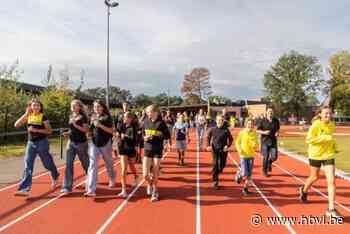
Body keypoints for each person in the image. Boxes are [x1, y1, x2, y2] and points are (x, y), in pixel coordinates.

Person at [299, 106, 341, 217]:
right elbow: (308, 139)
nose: (328, 115)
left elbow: (330, 138)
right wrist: (323, 138)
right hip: (315, 155)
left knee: (331, 181)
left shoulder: (332, 125)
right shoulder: (316, 125)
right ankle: (303, 190)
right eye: (326, 114)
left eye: (330, 113)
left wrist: (334, 146)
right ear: (320, 115)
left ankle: (331, 209)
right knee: (314, 177)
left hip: (328, 155)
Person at [14, 99, 59, 196]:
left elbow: (49, 131)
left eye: (38, 105)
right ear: (30, 107)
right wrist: (25, 114)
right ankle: (24, 189)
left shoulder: (43, 117)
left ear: (40, 107)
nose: (36, 107)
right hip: (31, 143)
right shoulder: (28, 116)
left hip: (42, 143)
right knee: (28, 165)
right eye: (34, 105)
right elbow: (16, 125)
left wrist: (36, 130)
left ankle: (55, 174)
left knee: (47, 164)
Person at [85, 101, 116, 197]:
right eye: (95, 107)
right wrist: (88, 133)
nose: (96, 108)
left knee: (109, 163)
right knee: (93, 165)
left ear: (102, 107)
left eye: (98, 106)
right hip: (94, 143)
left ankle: (111, 178)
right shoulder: (93, 117)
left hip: (105, 143)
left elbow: (111, 131)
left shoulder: (107, 117)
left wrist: (100, 125)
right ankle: (91, 189)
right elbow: (90, 129)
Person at [143, 104, 171, 202]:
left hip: (157, 150)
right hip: (147, 149)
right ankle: (150, 184)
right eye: (147, 112)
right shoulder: (145, 122)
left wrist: (154, 137)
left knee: (155, 173)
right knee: (145, 175)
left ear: (155, 112)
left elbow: (167, 135)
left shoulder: (161, 123)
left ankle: (155, 191)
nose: (147, 114)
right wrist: (144, 138)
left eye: (149, 112)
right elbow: (142, 134)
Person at [61, 100, 90, 195]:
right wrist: (67, 133)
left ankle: (90, 180)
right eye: (71, 105)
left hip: (81, 143)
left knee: (85, 164)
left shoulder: (83, 117)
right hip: (71, 143)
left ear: (79, 107)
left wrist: (75, 125)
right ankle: (67, 187)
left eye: (75, 105)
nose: (73, 107)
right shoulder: (71, 116)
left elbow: (86, 130)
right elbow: (72, 130)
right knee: (68, 164)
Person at [206, 115, 233, 190]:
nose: (220, 121)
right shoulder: (212, 129)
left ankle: (218, 170)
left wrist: (227, 146)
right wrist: (208, 145)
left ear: (223, 121)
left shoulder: (226, 130)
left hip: (223, 150)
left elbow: (231, 139)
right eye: (218, 120)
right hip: (214, 149)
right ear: (216, 121)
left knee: (222, 165)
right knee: (215, 164)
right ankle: (215, 181)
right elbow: (208, 137)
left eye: (221, 120)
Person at [116, 112, 139, 198]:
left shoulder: (133, 128)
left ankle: (136, 176)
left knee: (131, 166)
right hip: (122, 149)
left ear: (130, 118)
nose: (124, 118)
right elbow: (117, 133)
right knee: (123, 170)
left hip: (131, 149)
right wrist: (117, 135)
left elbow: (133, 139)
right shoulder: (121, 125)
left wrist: (124, 136)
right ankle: (123, 190)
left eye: (125, 117)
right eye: (123, 117)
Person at [235, 118, 259, 196]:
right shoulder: (241, 133)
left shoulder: (255, 133)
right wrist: (239, 150)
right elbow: (237, 143)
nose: (250, 125)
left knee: (249, 174)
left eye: (252, 124)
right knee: (244, 173)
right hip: (243, 155)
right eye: (249, 124)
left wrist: (255, 146)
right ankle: (239, 173)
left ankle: (245, 189)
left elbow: (257, 144)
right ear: (246, 124)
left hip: (251, 155)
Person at [257, 108, 280, 177]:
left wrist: (277, 133)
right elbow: (257, 130)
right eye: (269, 112)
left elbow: (278, 129)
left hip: (273, 141)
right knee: (266, 157)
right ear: (266, 112)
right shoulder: (262, 121)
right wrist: (264, 132)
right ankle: (265, 171)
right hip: (265, 141)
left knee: (274, 157)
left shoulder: (276, 120)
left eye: (272, 112)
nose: (270, 113)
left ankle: (270, 163)